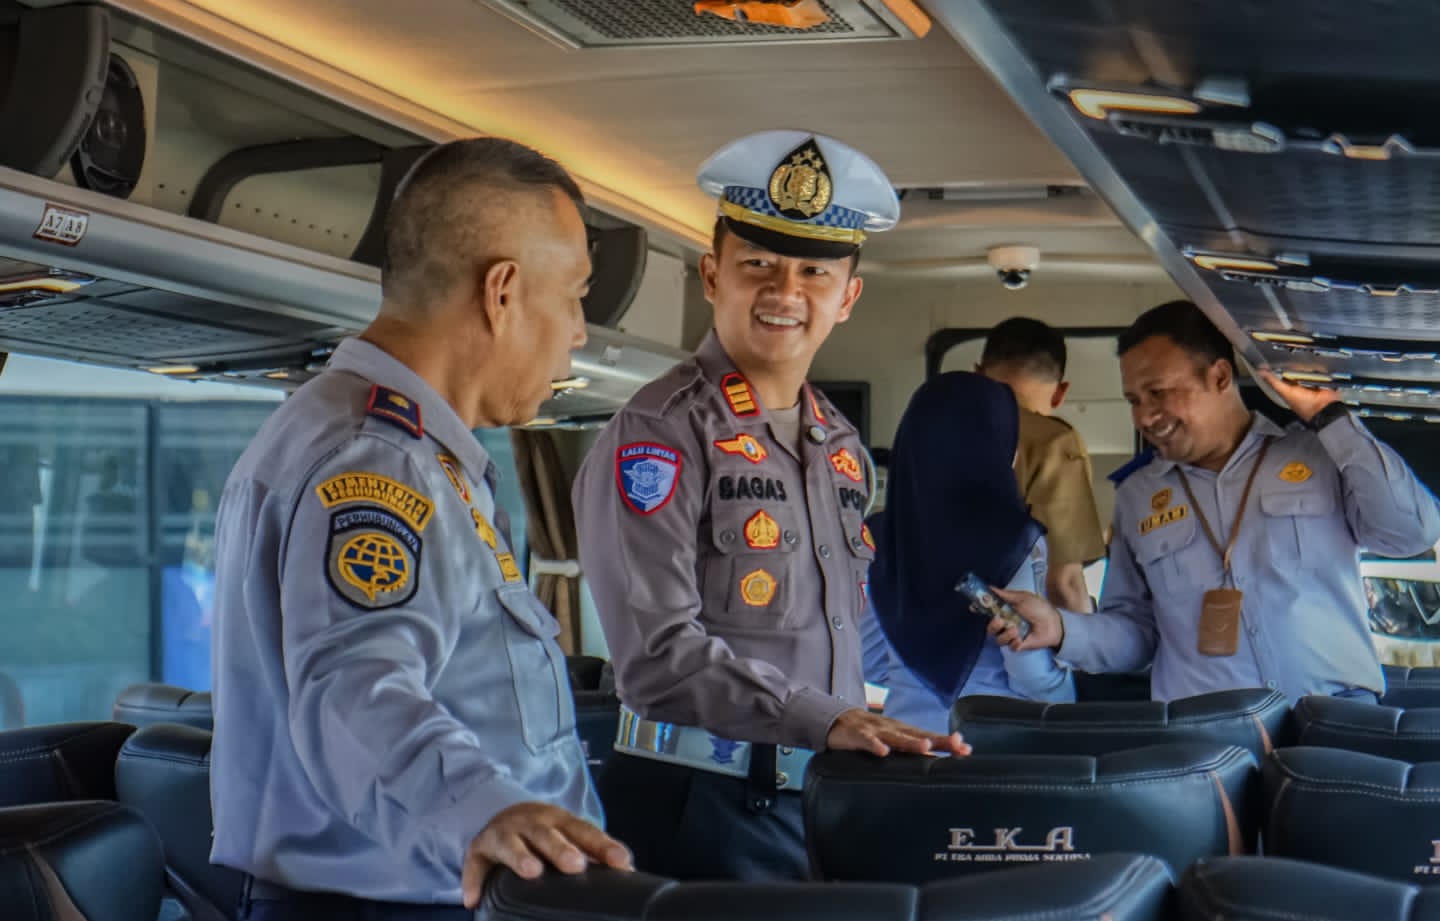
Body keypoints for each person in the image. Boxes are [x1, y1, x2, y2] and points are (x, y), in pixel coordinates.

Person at [209, 137, 630, 921]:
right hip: (384, 906)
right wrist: (486, 809)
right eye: (573, 295)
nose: (577, 331)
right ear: (502, 291)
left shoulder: (409, 450)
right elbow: (353, 683)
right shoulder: (375, 460)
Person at [572, 129, 969, 883]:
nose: (785, 292)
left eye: (814, 271)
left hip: (813, 798)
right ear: (712, 274)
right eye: (758, 264)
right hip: (700, 803)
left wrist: (874, 735)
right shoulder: (661, 431)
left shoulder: (842, 445)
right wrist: (826, 720)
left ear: (847, 296)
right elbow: (655, 659)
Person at [990, 300, 1440, 704]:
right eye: (1133, 400)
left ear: (1221, 376)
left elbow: (1412, 532)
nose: (1145, 416)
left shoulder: (1321, 455)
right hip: (1207, 739)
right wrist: (1062, 628)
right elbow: (1135, 634)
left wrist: (1332, 419)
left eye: (1159, 393)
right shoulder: (1137, 496)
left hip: (1334, 719)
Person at [861, 372, 1075, 735]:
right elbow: (1031, 673)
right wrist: (1067, 691)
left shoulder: (881, 535)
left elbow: (866, 657)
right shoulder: (1016, 539)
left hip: (906, 749)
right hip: (997, 753)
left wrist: (917, 676)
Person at [976, 317, 1106, 611]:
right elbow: (1063, 581)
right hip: (1007, 638)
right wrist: (1085, 651)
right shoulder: (1053, 443)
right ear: (1060, 393)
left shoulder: (935, 433)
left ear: (977, 374)